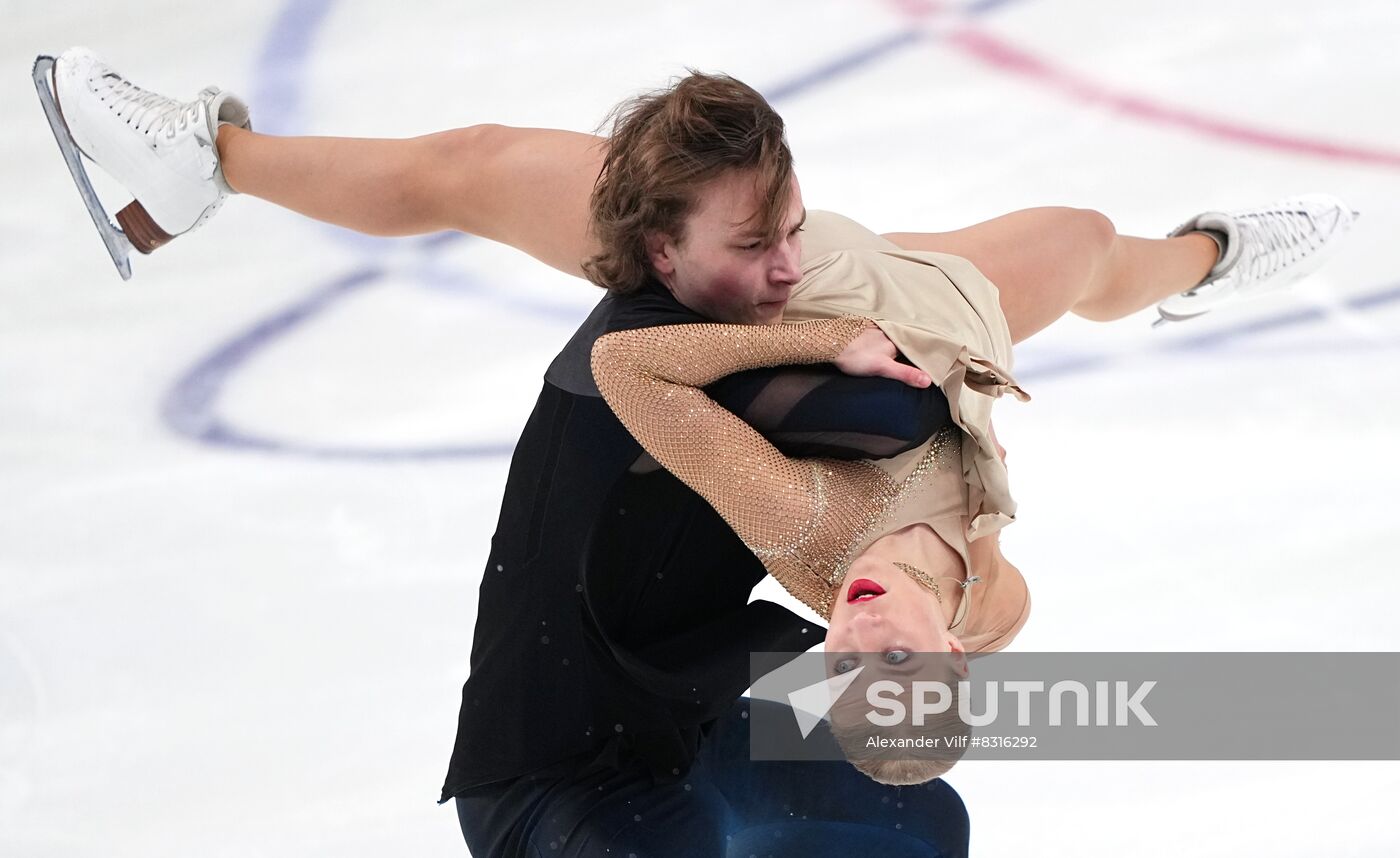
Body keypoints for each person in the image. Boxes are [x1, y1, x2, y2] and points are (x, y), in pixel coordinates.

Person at [43, 47, 1357, 856]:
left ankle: (203, 162)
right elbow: (981, 595)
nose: (858, 635)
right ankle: (1213, 256)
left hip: (789, 299)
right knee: (1082, 241)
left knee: (476, 167)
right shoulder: (990, 605)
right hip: (938, 328)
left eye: (843, 664)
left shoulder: (810, 535)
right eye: (895, 656)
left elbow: (644, 372)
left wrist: (825, 344)